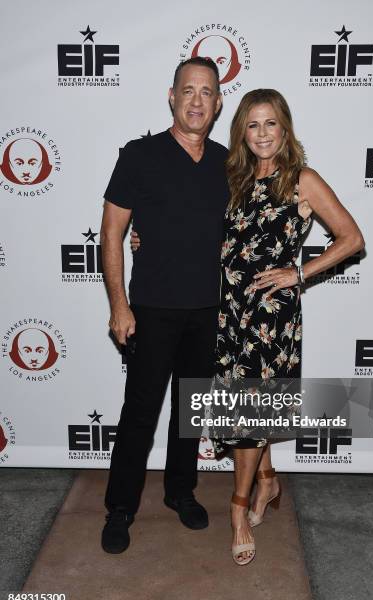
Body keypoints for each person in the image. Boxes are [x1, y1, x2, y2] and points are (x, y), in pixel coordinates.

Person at [132, 88, 365, 565]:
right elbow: (191, 222)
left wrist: (298, 273)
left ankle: (238, 510)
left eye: (271, 124)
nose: (262, 134)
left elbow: (352, 237)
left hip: (270, 317)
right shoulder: (232, 177)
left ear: (285, 129)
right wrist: (145, 235)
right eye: (253, 125)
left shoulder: (302, 179)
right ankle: (266, 480)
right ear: (242, 130)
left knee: (250, 413)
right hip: (225, 311)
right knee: (242, 406)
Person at [100, 56, 228, 554]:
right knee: (139, 413)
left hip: (208, 311)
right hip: (151, 308)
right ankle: (120, 508)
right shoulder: (138, 155)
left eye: (207, 92)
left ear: (218, 104)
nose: (197, 101)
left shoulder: (226, 162)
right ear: (172, 97)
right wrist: (119, 306)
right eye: (188, 90)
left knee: (189, 411)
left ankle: (181, 492)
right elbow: (113, 234)